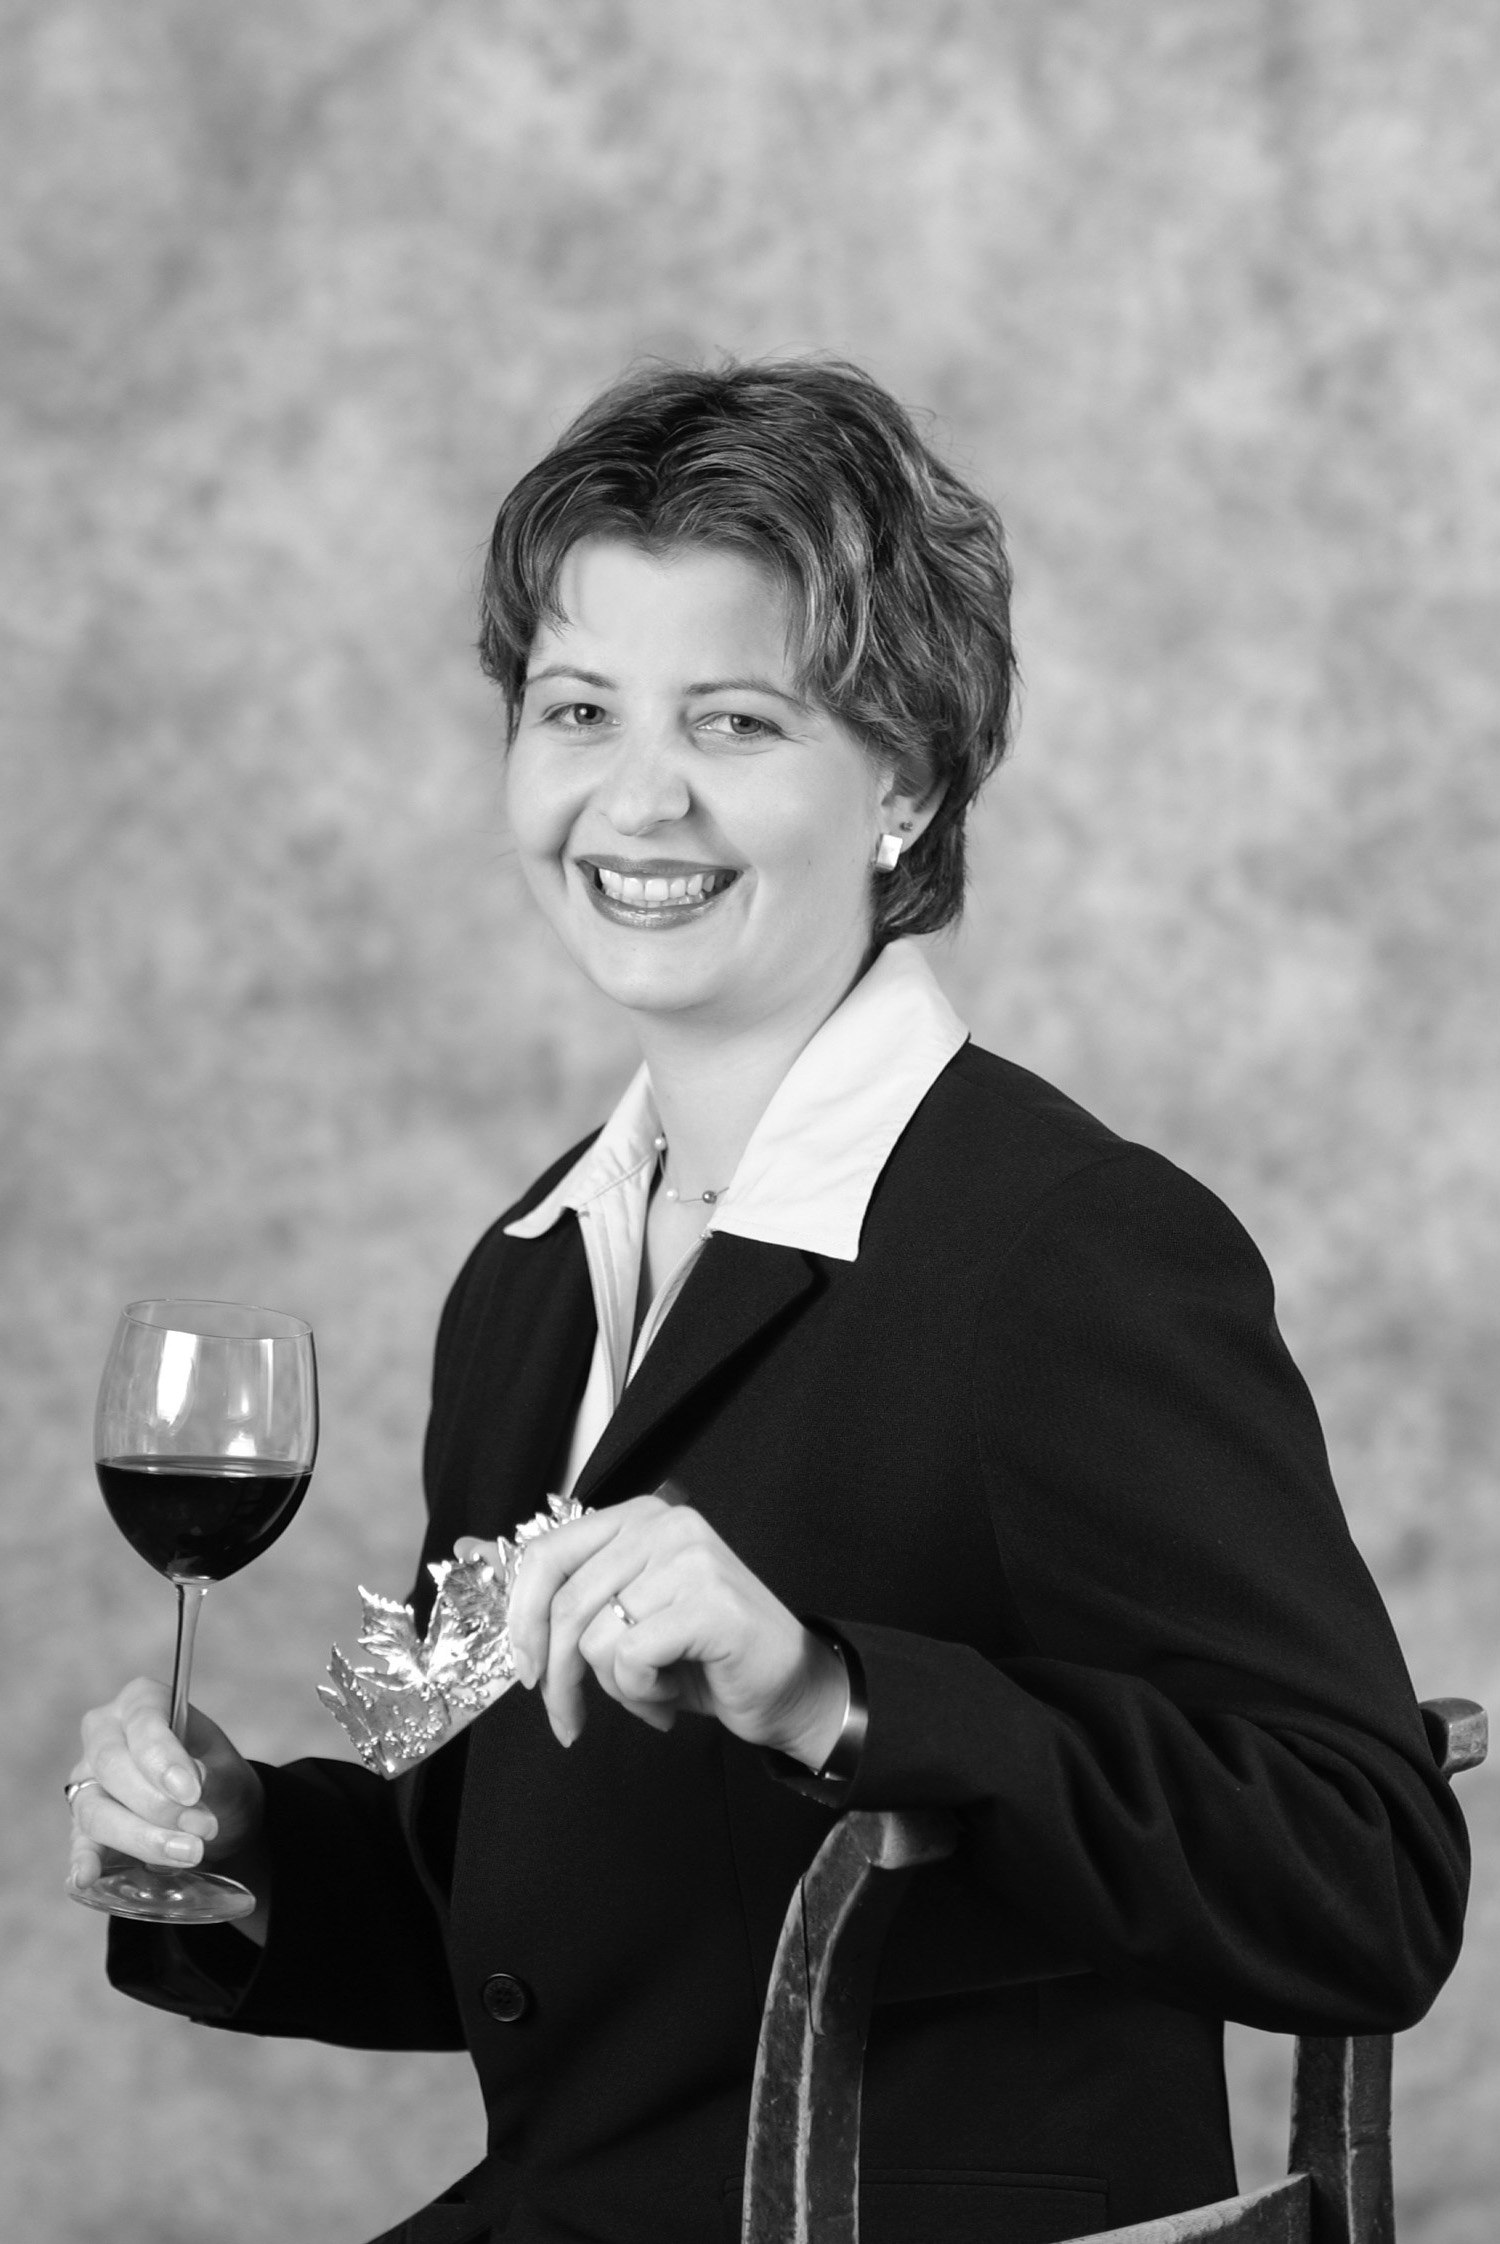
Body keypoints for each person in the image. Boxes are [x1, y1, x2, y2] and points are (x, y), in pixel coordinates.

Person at [67, 359, 1468, 2244]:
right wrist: (242, 1852)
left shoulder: (1067, 1250)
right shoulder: (531, 1279)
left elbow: (1367, 1879)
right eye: (578, 710)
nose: (636, 798)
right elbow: (540, 1918)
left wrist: (828, 1691)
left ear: (906, 781)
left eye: (733, 721)